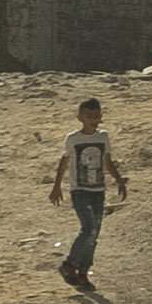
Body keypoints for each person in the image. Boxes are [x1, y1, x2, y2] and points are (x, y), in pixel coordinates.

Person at [49, 96, 116, 292]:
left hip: (98, 190)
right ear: (80, 118)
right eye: (89, 116)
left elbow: (108, 162)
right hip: (80, 190)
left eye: (96, 116)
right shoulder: (73, 139)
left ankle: (83, 273)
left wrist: (119, 180)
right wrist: (56, 186)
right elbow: (64, 163)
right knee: (89, 228)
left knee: (94, 234)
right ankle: (70, 264)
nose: (93, 119)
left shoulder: (103, 137)